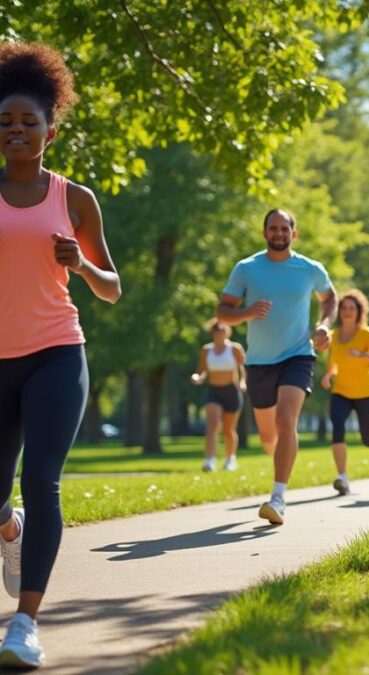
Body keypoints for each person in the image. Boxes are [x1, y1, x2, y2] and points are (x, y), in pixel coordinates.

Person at [0, 41, 122, 668]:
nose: (16, 131)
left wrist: (82, 264)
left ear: (50, 129)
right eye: (6, 122)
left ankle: (25, 622)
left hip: (55, 353)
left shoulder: (74, 200)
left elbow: (112, 285)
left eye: (28, 121)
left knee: (41, 480)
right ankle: (7, 527)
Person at [217, 208, 336, 525]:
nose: (279, 233)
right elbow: (223, 312)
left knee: (287, 421)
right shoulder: (247, 269)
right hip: (259, 361)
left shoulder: (309, 269)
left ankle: (278, 497)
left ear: (294, 233)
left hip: (299, 354)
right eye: (273, 228)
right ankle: (279, 462)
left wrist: (324, 325)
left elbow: (329, 298)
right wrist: (247, 312)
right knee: (270, 437)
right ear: (264, 232)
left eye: (285, 228)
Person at [320, 289, 369, 496]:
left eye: (352, 308)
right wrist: (327, 375)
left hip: (366, 392)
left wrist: (362, 355)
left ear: (359, 311)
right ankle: (342, 477)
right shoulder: (333, 336)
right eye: (344, 308)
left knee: (367, 441)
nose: (347, 311)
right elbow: (333, 363)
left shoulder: (366, 334)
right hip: (341, 392)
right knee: (337, 427)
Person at [189, 320, 246, 472]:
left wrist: (243, 382)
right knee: (213, 425)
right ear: (213, 333)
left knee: (228, 430)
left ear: (226, 332)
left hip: (231, 391)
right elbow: (201, 370)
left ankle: (230, 459)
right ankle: (210, 460)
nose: (219, 334)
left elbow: (243, 368)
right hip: (214, 391)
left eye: (222, 331)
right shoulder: (207, 350)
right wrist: (197, 377)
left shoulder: (234, 349)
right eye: (216, 331)